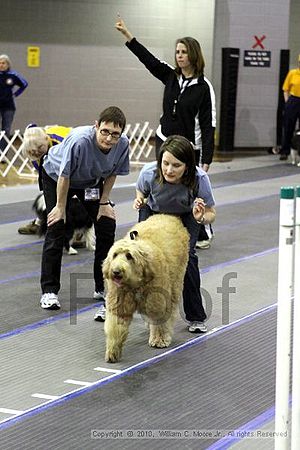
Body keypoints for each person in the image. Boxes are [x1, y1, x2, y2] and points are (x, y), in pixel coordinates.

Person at [115, 15, 216, 248]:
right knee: (164, 182)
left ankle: (201, 229)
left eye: (183, 52)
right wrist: (127, 35)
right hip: (164, 139)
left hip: (190, 146)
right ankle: (156, 223)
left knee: (192, 189)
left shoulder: (203, 87)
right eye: (177, 52)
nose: (179, 55)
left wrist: (206, 158)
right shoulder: (170, 75)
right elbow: (148, 60)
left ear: (194, 55)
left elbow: (209, 123)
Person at [39, 106, 129, 321]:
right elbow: (64, 176)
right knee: (56, 226)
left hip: (89, 182)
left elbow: (113, 173)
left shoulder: (122, 145)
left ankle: (102, 286)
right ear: (96, 126)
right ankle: (49, 291)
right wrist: (60, 208)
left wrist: (104, 202)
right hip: (56, 176)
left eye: (115, 134)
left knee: (106, 224)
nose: (108, 138)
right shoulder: (80, 141)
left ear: (121, 134)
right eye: (105, 131)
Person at [134, 135, 216, 333]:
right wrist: (139, 201)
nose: (169, 170)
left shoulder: (200, 179)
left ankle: (196, 316)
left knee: (189, 258)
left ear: (187, 166)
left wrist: (201, 216)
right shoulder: (148, 173)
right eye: (166, 163)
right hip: (154, 211)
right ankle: (145, 309)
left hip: (187, 214)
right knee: (141, 256)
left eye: (176, 165)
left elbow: (212, 213)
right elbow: (141, 191)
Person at [18, 124, 73, 235]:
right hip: (53, 166)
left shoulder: (62, 141)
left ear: (46, 139)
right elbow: (45, 178)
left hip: (77, 163)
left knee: (76, 197)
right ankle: (41, 222)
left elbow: (72, 170)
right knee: (50, 197)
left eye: (39, 148)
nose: (36, 152)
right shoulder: (33, 153)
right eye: (32, 151)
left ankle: (78, 231)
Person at [0, 54, 28, 155]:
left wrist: (16, 94)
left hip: (8, 107)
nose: (1, 65)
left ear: (8, 64)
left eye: (3, 63)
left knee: (6, 130)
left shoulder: (13, 75)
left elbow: (24, 84)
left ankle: (3, 154)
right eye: (0, 63)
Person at [280, 53, 300, 161]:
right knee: (288, 127)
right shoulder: (292, 73)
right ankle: (285, 151)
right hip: (293, 100)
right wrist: (287, 102)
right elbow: (285, 89)